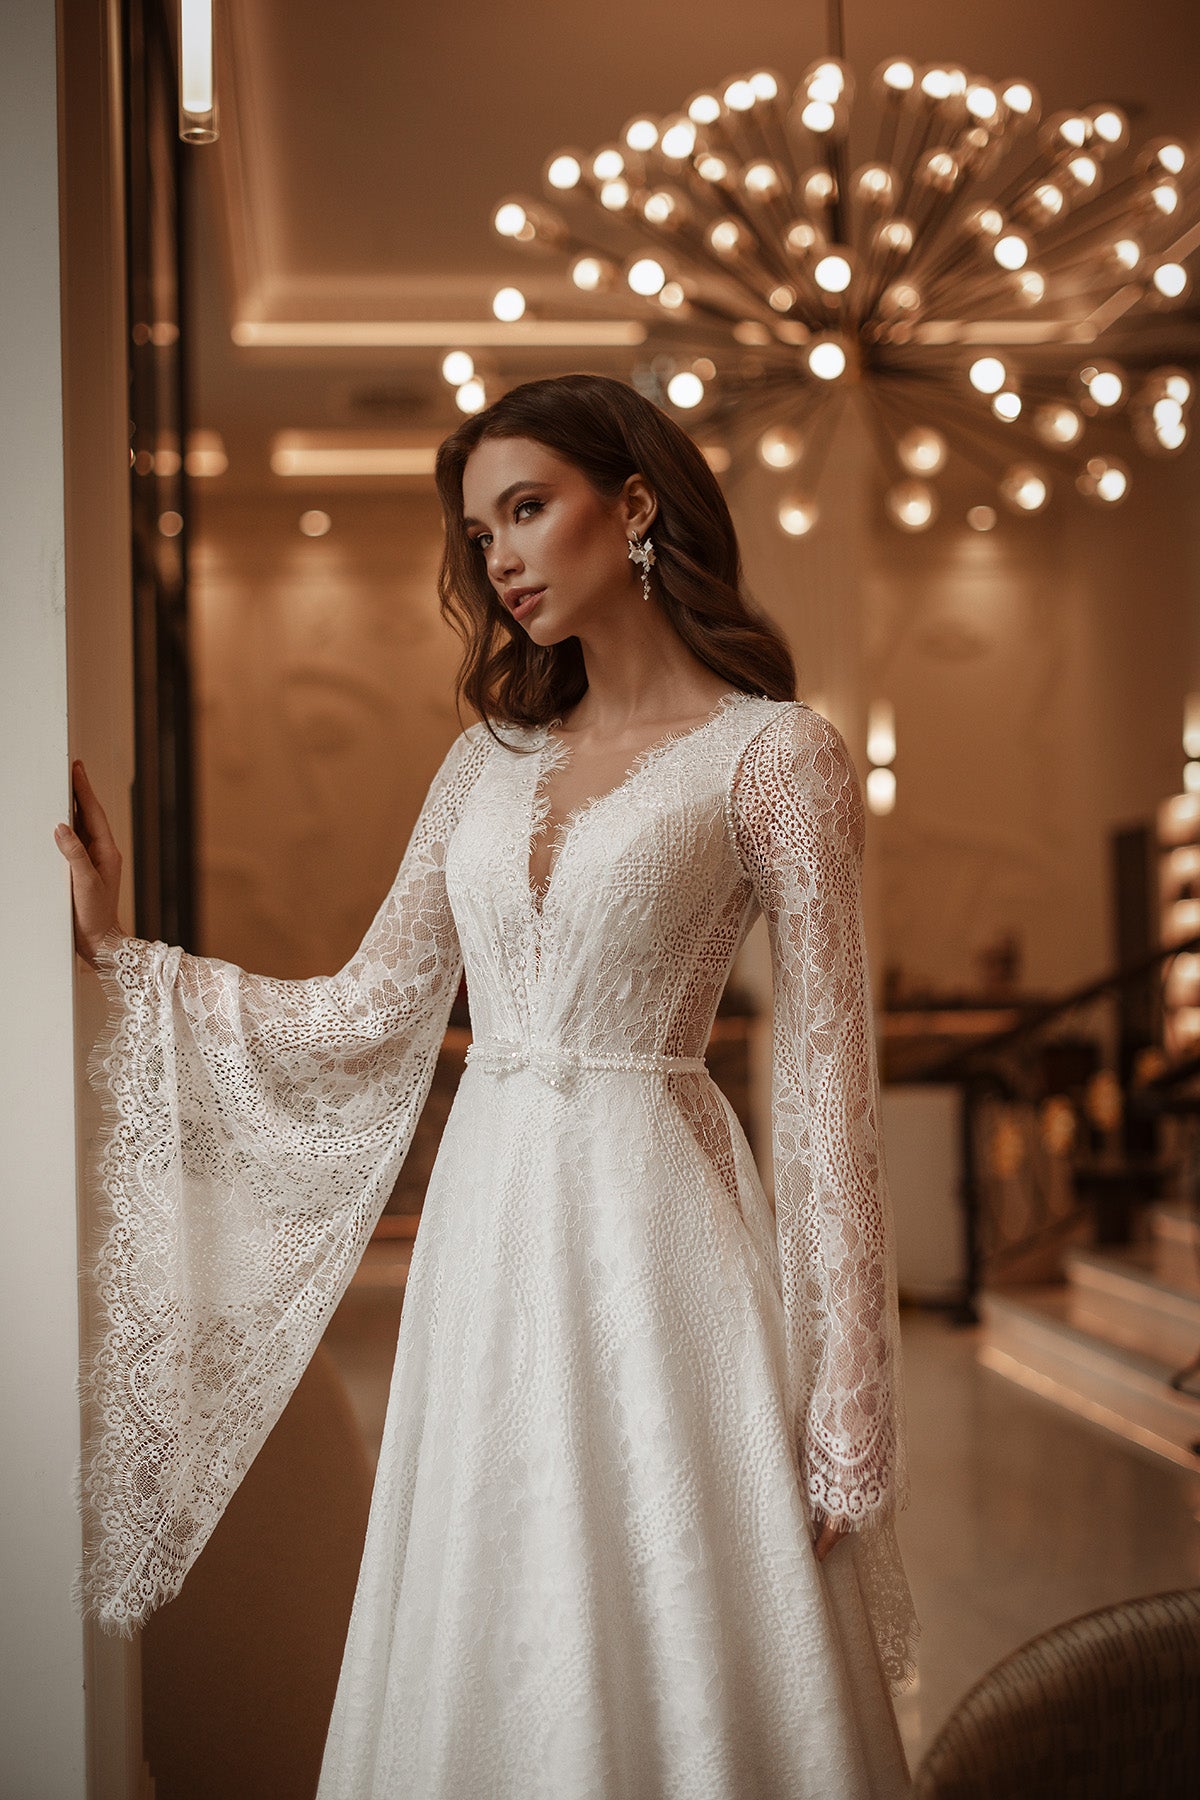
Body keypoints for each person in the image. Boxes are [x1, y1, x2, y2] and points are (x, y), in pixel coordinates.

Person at [57, 373, 918, 1798]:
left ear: (632, 506)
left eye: (528, 509)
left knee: (671, 1579)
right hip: (486, 1224)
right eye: (480, 533)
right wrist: (126, 956)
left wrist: (849, 1398)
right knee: (490, 1575)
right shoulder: (482, 764)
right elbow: (370, 1007)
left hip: (658, 1231)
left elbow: (831, 1093)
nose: (501, 559)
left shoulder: (778, 758)